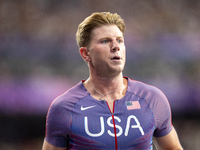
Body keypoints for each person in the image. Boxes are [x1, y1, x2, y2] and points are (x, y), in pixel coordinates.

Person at [42, 12, 183, 150]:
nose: (116, 46)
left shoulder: (152, 99)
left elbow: (172, 147)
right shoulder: (64, 108)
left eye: (120, 40)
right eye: (105, 41)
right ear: (86, 54)